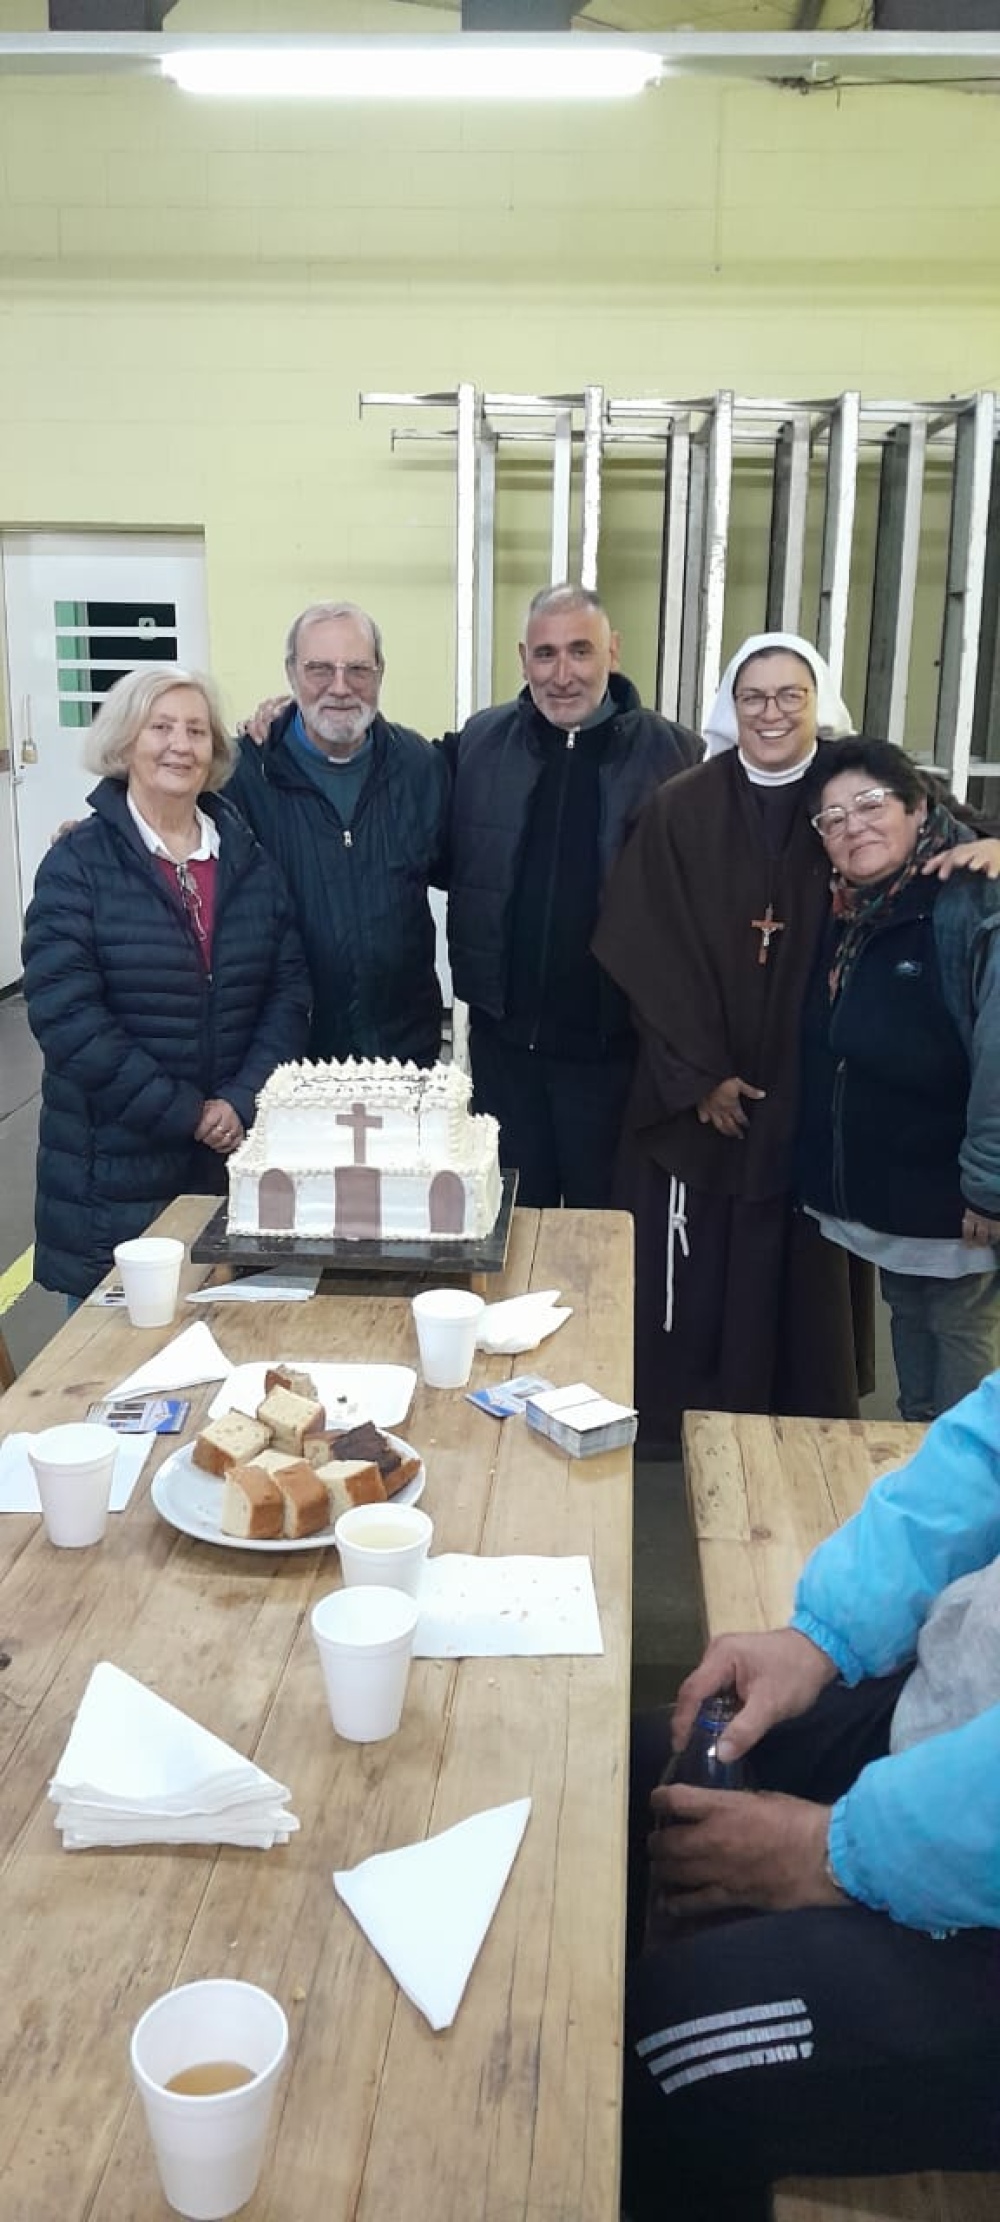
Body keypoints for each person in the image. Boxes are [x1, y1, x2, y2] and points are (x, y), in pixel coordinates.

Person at [624, 1369, 1000, 2222]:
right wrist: (822, 1635)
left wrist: (835, 1851)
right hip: (957, 1729)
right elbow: (987, 1450)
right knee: (656, 1766)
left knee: (659, 2048)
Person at [592, 631, 865, 1446]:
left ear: (818, 703)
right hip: (699, 1089)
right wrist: (699, 1075)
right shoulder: (681, 806)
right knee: (701, 1259)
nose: (772, 712)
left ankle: (804, 1421)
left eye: (791, 696)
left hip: (811, 1084)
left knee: (799, 1259)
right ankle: (689, 1423)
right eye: (754, 697)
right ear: (729, 708)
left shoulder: (851, 796)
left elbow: (932, 837)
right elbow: (641, 946)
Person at [23, 665, 310, 1302]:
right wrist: (188, 1113)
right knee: (104, 1383)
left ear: (214, 753)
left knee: (230, 1376)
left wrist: (239, 1100)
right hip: (114, 1182)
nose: (180, 745)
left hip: (232, 1169)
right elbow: (68, 1018)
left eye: (197, 731)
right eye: (161, 727)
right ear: (125, 743)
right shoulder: (77, 865)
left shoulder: (248, 860)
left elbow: (288, 992)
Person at [444, 583, 700, 1207]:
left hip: (613, 1057)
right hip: (505, 1057)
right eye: (545, 654)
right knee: (506, 1226)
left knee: (600, 1239)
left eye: (580, 651)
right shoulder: (481, 744)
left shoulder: (676, 756)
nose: (563, 674)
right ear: (522, 658)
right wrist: (281, 723)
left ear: (612, 652)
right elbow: (390, 779)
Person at [797, 737, 1000, 1420]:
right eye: (833, 818)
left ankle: (968, 1508)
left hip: (960, 1194)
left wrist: (989, 1188)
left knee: (963, 1342)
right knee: (911, 1327)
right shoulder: (862, 906)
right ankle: (928, 1482)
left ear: (917, 806)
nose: (853, 825)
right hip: (901, 1190)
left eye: (870, 804)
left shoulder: (970, 897)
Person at [228, 601, 449, 1065]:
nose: (341, 688)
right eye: (319, 669)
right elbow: (160, 808)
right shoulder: (242, 774)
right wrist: (93, 832)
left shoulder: (420, 767)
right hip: (286, 1050)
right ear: (291, 673)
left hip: (402, 1047)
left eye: (358, 670)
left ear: (381, 673)